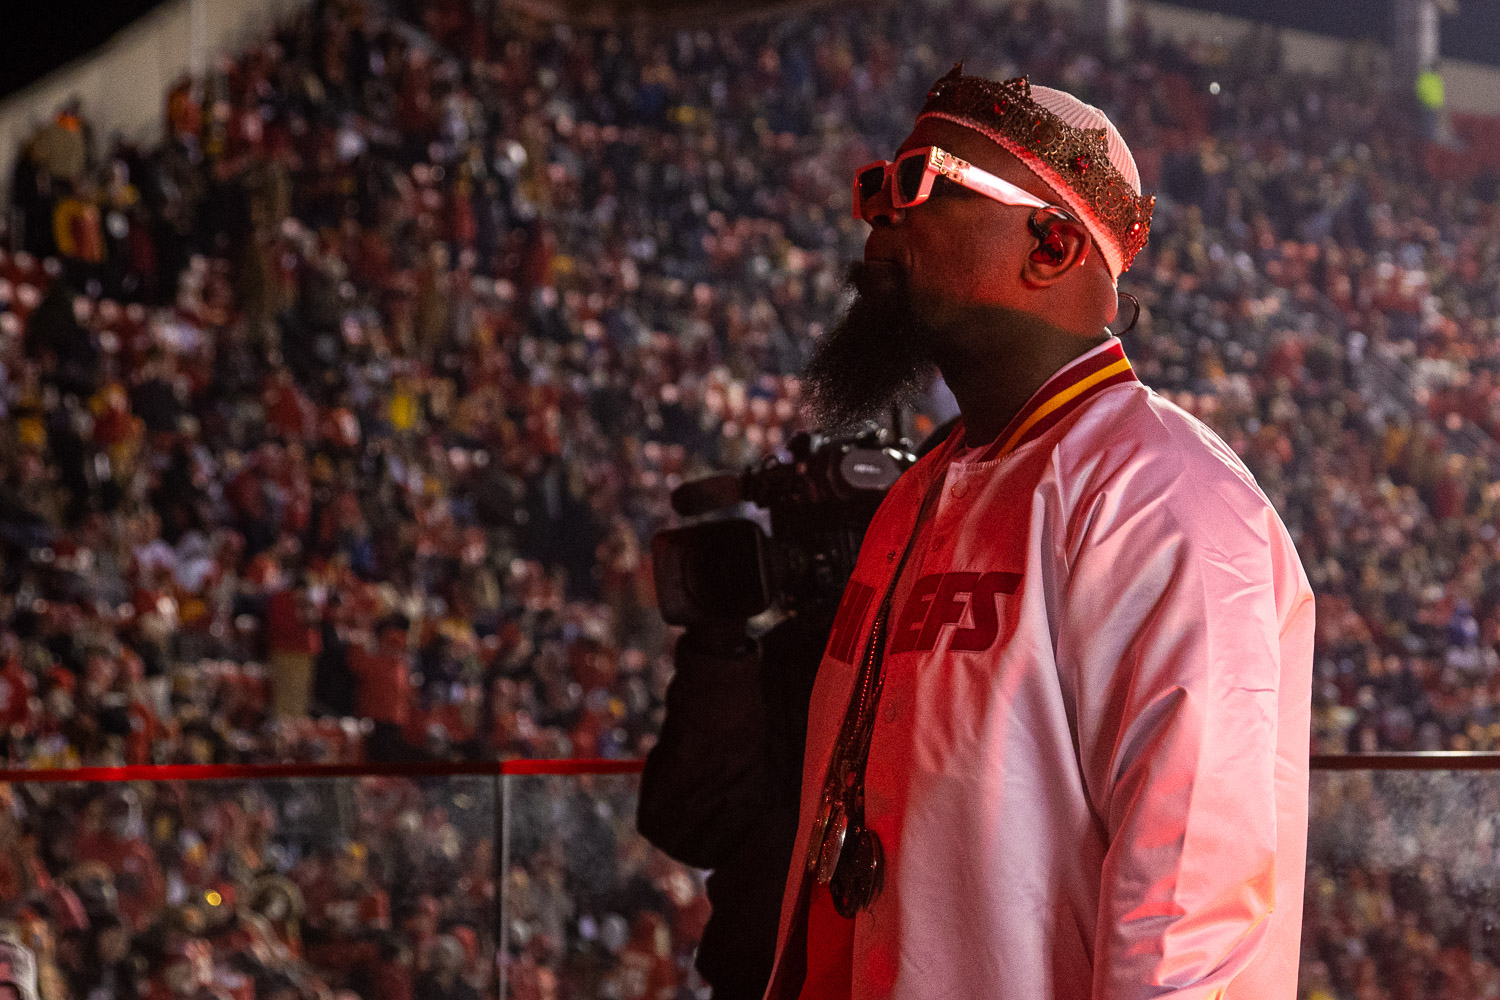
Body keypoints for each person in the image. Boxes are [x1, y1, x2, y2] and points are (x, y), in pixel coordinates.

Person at [765, 67, 1316, 999]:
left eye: (917, 187)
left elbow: (1190, 915)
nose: (877, 221)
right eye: (875, 188)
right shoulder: (923, 488)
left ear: (1054, 245)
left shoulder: (1168, 502)